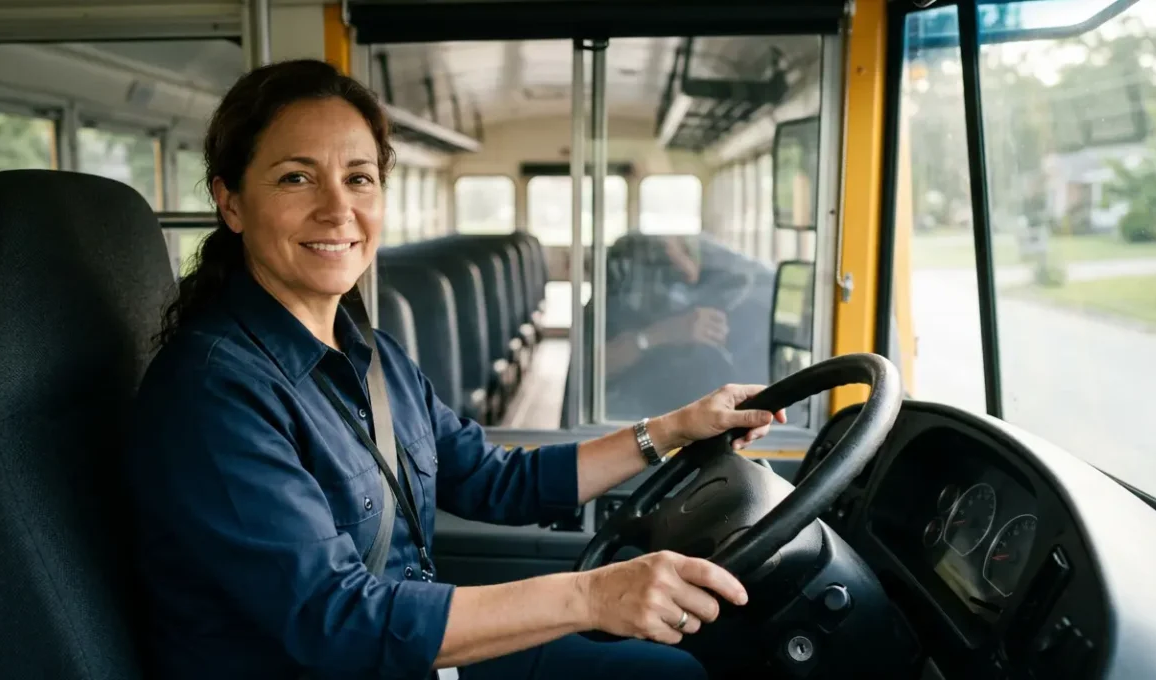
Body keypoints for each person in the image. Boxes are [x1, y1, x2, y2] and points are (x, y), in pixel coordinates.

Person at [124, 58, 787, 680]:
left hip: (405, 653)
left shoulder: (375, 356)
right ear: (231, 202)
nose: (337, 209)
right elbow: (333, 620)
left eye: (358, 178)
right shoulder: (212, 392)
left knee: (679, 668)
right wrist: (590, 595)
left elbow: (500, 481)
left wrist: (676, 428)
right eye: (296, 177)